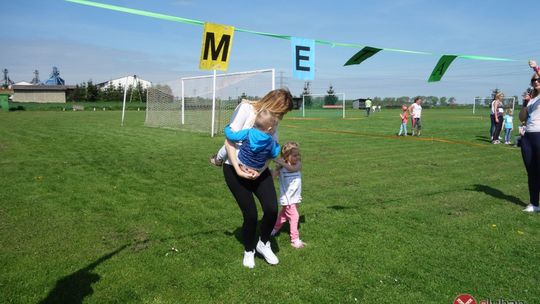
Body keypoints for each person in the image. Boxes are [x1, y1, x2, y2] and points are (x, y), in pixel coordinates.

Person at [221, 88, 293, 268]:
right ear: (276, 105)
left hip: (258, 170)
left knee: (271, 208)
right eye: (282, 112)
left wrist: (260, 172)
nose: (281, 117)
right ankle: (249, 251)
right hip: (234, 168)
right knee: (251, 214)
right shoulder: (246, 109)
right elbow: (229, 141)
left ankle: (263, 243)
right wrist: (238, 169)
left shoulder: (272, 122)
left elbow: (271, 150)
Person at [271, 142, 305, 248]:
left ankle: (274, 230)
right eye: (294, 155)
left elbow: (293, 169)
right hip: (287, 198)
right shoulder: (281, 167)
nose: (297, 157)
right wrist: (277, 167)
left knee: (283, 215)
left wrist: (281, 163)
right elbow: (272, 177)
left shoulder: (298, 164)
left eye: (298, 154)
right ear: (286, 156)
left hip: (295, 197)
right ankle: (295, 240)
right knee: (294, 216)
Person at [519, 60, 540, 212]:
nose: (536, 81)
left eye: (538, 79)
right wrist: (525, 103)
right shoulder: (532, 98)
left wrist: (535, 67)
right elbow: (521, 118)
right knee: (531, 171)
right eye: (533, 80)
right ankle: (534, 203)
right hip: (527, 137)